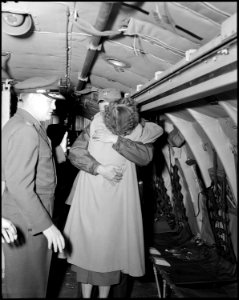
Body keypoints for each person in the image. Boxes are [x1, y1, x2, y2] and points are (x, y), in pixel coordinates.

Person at [61, 93, 163, 298]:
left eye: (108, 105)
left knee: (112, 252)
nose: (104, 109)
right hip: (93, 196)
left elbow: (145, 155)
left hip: (119, 201)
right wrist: (99, 168)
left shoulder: (137, 127)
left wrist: (117, 139)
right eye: (101, 104)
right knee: (91, 247)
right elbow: (76, 152)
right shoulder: (95, 125)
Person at [1, 76, 66, 298]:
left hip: (25, 215)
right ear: (33, 98)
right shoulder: (26, 130)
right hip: (29, 219)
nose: (54, 106)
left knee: (25, 283)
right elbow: (19, 185)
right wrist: (46, 225)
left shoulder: (19, 124)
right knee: (28, 286)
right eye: (50, 100)